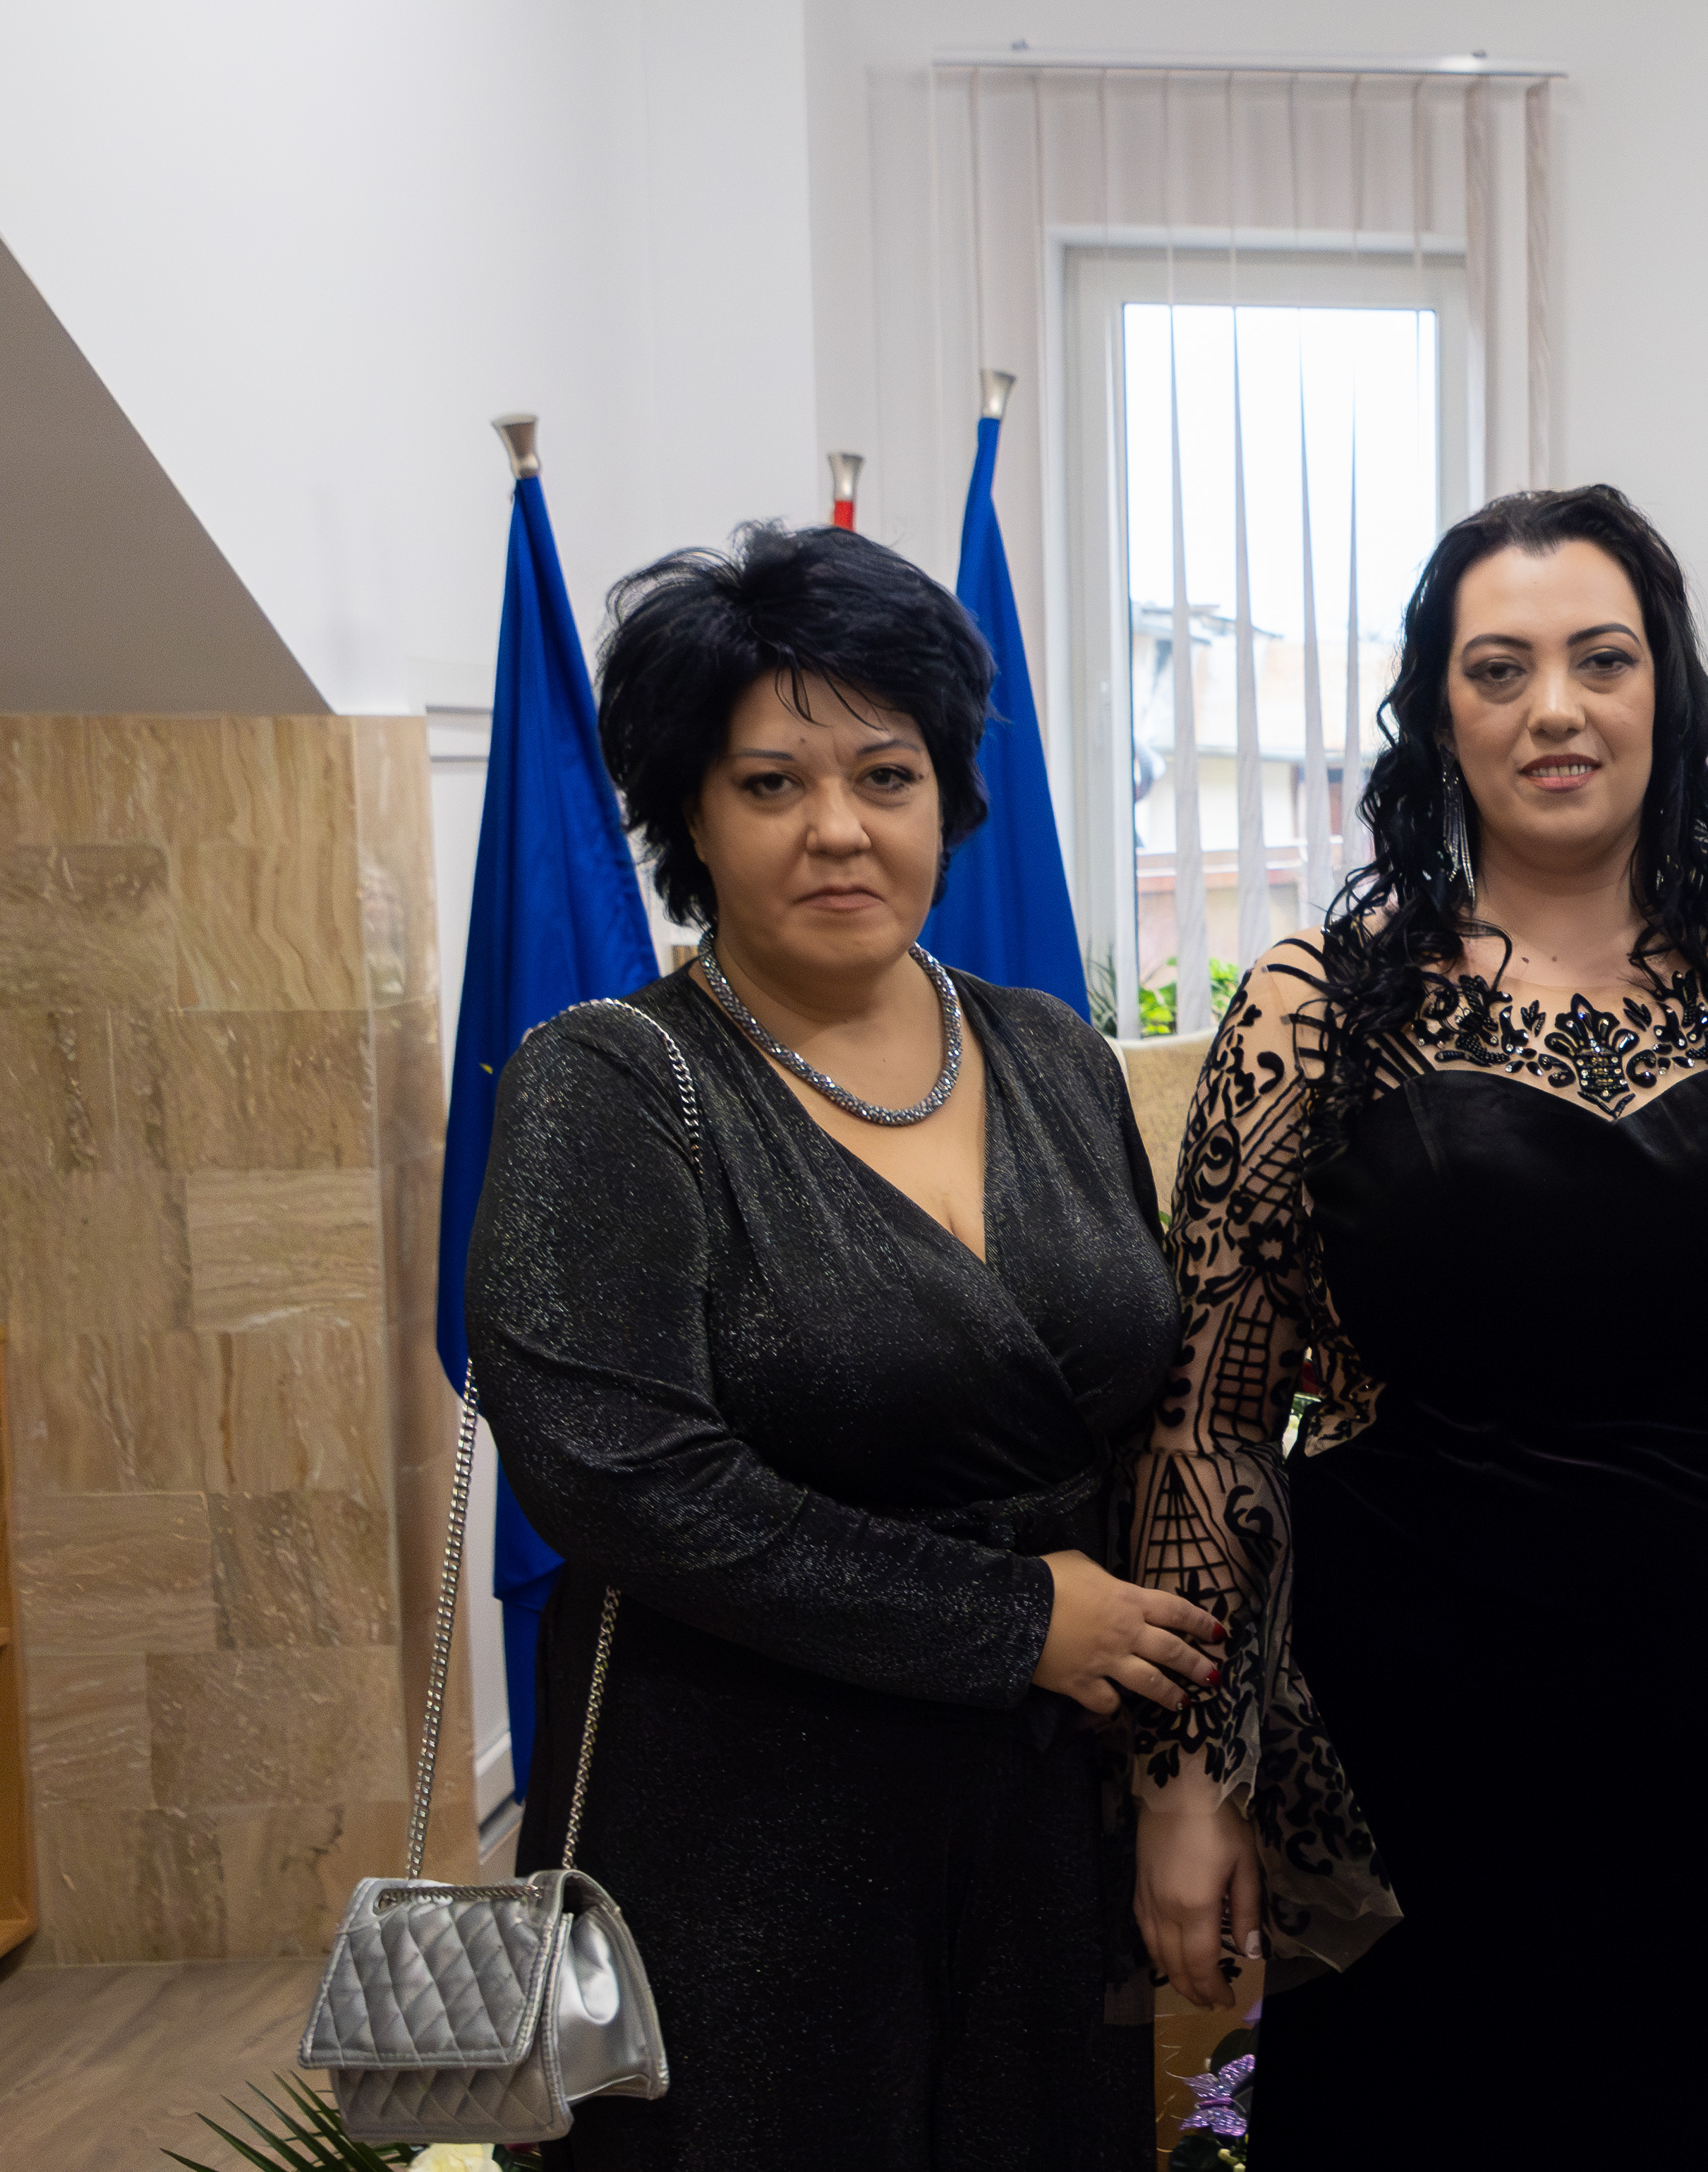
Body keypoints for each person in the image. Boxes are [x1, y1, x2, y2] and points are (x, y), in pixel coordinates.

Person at [1127, 484, 1708, 2164]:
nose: (1554, 708)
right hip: (1408, 1727)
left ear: (1667, 696)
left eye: (1600, 660)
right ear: (1439, 715)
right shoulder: (1316, 1008)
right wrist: (1192, 1777)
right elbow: (1209, 1421)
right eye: (1498, 669)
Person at [469, 524, 1217, 2171]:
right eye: (769, 784)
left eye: (886, 775)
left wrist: (1181, 1761)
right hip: (745, 1823)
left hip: (1043, 1815)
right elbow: (622, 1480)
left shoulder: (1052, 1054)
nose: (838, 828)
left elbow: (1147, 1403)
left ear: (947, 796)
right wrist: (1012, 1617)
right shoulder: (611, 1082)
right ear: (688, 815)